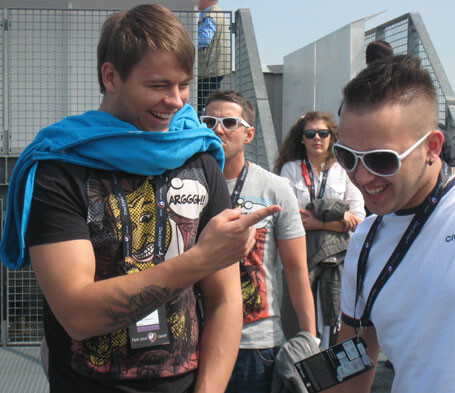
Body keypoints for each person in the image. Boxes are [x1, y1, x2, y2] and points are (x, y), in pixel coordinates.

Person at [0, 5, 280, 392]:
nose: (177, 100)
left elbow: (225, 301)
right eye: (158, 85)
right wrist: (200, 260)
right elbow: (78, 314)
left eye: (183, 84)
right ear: (111, 76)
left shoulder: (198, 155)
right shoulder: (61, 166)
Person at [330, 55, 455, 392]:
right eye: (347, 156)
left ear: (432, 146)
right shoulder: (365, 241)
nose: (361, 176)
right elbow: (350, 364)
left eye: (381, 159)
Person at [201, 90, 316, 393]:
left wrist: (310, 339)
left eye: (229, 122)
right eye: (209, 121)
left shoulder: (275, 188)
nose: (218, 129)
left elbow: (295, 269)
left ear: (249, 134)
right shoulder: (188, 183)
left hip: (256, 344)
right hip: (198, 337)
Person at [274, 111, 365, 348]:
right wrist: (338, 217)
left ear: (331, 137)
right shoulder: (291, 169)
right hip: (301, 253)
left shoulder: (344, 169)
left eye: (323, 133)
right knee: (299, 317)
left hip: (338, 256)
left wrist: (319, 222)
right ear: (301, 138)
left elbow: (358, 216)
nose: (317, 138)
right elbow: (290, 215)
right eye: (310, 133)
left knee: (333, 315)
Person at [197, 0, 230, 115]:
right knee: (208, 104)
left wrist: (184, 44)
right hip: (214, 68)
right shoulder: (216, 13)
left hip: (208, 69)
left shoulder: (210, 15)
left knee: (203, 107)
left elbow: (203, 40)